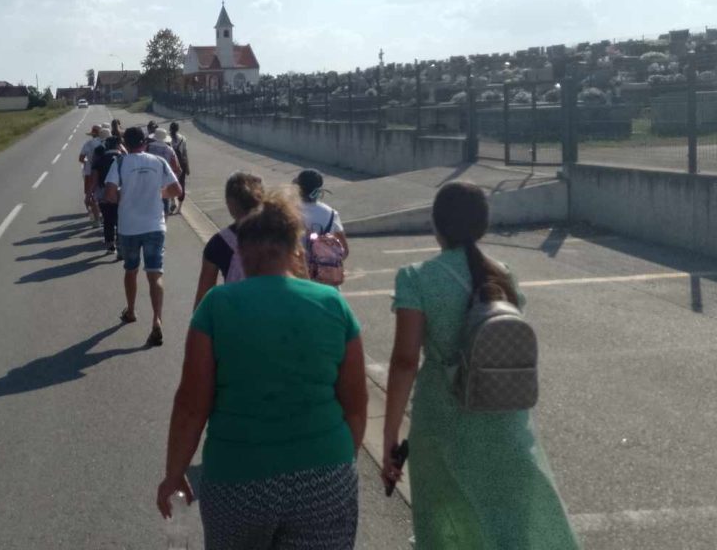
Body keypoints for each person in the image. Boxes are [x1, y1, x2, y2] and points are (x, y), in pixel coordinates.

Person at [157, 190, 369, 549]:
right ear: (295, 248)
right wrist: (339, 461)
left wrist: (174, 474)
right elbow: (356, 404)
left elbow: (192, 405)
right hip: (325, 474)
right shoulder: (332, 304)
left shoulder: (216, 306)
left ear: (241, 251)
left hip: (238, 479)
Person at [381, 181, 579, 549]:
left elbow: (405, 362)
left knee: (447, 525)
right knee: (508, 525)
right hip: (505, 420)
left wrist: (390, 436)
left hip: (444, 423)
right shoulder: (503, 274)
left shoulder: (416, 278)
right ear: (482, 226)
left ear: (436, 225)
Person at [104, 126, 181, 346]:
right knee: (155, 274)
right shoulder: (159, 161)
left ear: (125, 145)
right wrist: (159, 193)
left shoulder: (119, 163)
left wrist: (126, 196)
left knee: (131, 270)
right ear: (145, 143)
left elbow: (109, 195)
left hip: (129, 227)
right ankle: (157, 320)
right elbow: (176, 190)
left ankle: (130, 311)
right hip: (155, 226)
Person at [192, 172, 264, 309]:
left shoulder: (219, 243)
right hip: (277, 315)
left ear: (230, 204)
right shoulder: (281, 235)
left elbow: (203, 298)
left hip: (236, 314)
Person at [293, 169, 349, 257]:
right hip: (322, 264)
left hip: (295, 263)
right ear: (319, 191)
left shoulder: (288, 210)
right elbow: (344, 250)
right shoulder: (331, 214)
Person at [91, 135, 124, 256]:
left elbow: (94, 181)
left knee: (108, 220)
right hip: (121, 194)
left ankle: (110, 246)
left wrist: (90, 194)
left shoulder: (99, 160)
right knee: (121, 221)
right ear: (118, 145)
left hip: (103, 195)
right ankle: (120, 245)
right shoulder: (124, 158)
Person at [146, 128, 183, 215]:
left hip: (147, 183)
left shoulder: (147, 147)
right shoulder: (169, 150)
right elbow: (177, 169)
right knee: (164, 211)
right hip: (163, 185)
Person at [78, 125, 103, 227]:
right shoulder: (105, 142)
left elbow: (81, 158)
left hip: (90, 172)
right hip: (103, 172)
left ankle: (94, 217)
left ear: (93, 134)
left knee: (90, 195)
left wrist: (87, 162)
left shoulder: (88, 143)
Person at [169, 121, 190, 207]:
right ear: (178, 129)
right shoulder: (183, 138)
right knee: (181, 183)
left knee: (171, 182)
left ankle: (172, 201)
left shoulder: (167, 138)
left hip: (171, 163)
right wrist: (187, 167)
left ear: (170, 129)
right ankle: (179, 207)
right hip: (181, 163)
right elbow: (185, 153)